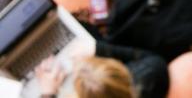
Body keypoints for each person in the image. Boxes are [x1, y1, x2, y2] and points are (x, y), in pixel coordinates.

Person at [35, 40, 169, 98]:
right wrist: (98, 49)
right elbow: (154, 59)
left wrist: (48, 93)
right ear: (122, 71)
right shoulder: (150, 75)